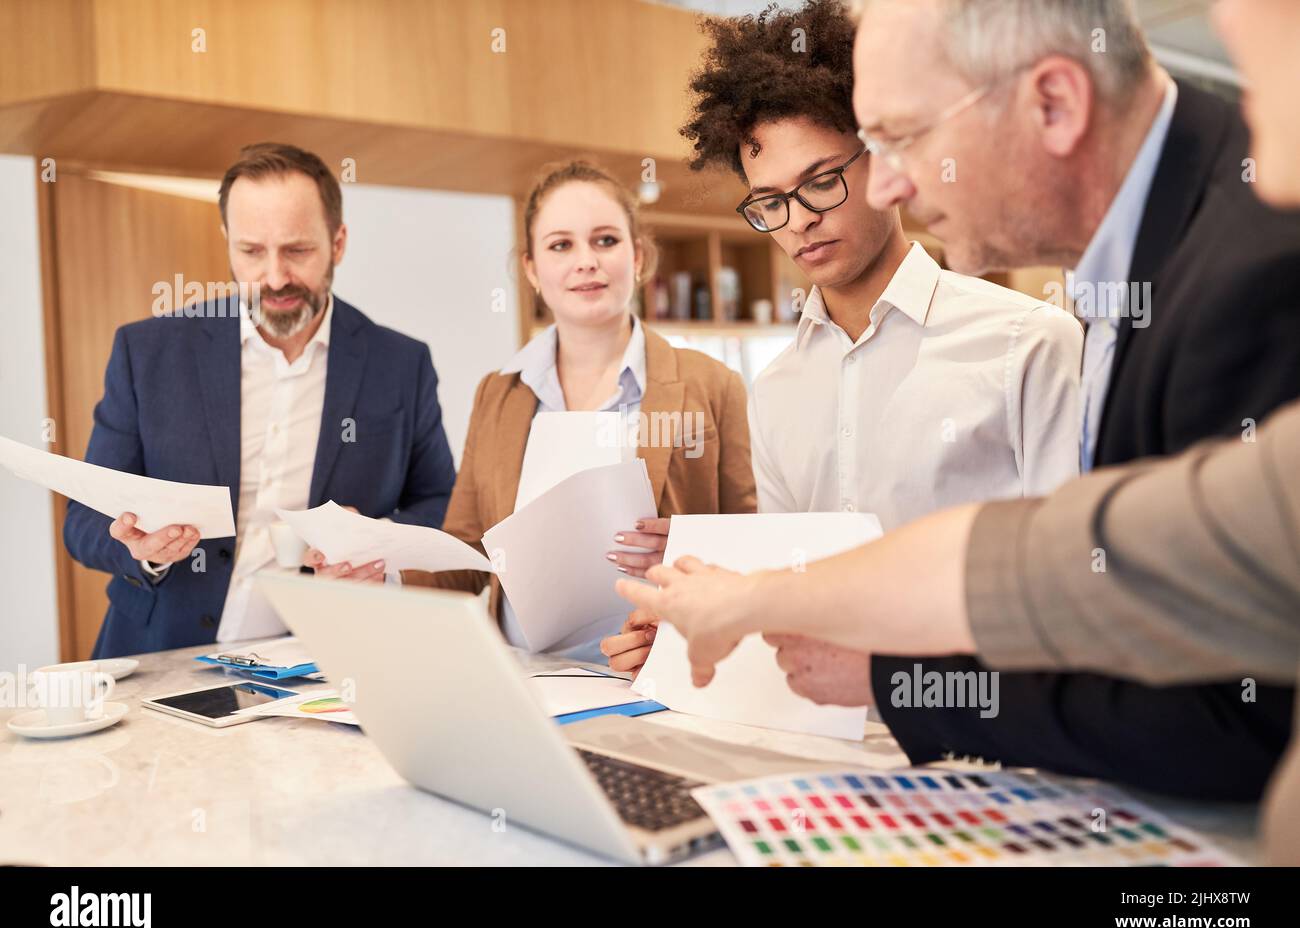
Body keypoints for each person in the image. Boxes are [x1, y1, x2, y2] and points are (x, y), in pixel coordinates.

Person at [617, 0, 1300, 863]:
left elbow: (1215, 702)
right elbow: (1050, 558)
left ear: (1053, 105)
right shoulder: (1125, 274)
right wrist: (730, 612)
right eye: (770, 203)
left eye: (900, 140)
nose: (893, 185)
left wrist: (895, 677)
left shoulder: (1248, 262)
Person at [602, 0, 1081, 676]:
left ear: (881, 160)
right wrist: (686, 642)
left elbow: (1069, 590)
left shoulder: (1029, 344)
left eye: (820, 182)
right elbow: (786, 600)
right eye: (770, 203)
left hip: (990, 738)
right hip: (820, 736)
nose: (798, 222)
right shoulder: (776, 390)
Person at [64, 143, 457, 658]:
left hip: (326, 665)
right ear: (227, 241)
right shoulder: (148, 352)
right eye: (251, 252)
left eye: (297, 251)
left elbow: (442, 503)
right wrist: (140, 550)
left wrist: (379, 544)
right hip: (160, 655)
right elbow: (84, 523)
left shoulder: (401, 364)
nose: (274, 278)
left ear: (337, 242)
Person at [402, 159, 755, 660]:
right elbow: (467, 555)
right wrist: (386, 572)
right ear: (531, 268)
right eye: (561, 245)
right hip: (526, 679)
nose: (585, 261)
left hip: (656, 676)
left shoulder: (712, 384)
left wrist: (686, 546)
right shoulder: (498, 394)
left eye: (606, 240)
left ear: (638, 256)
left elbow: (752, 540)